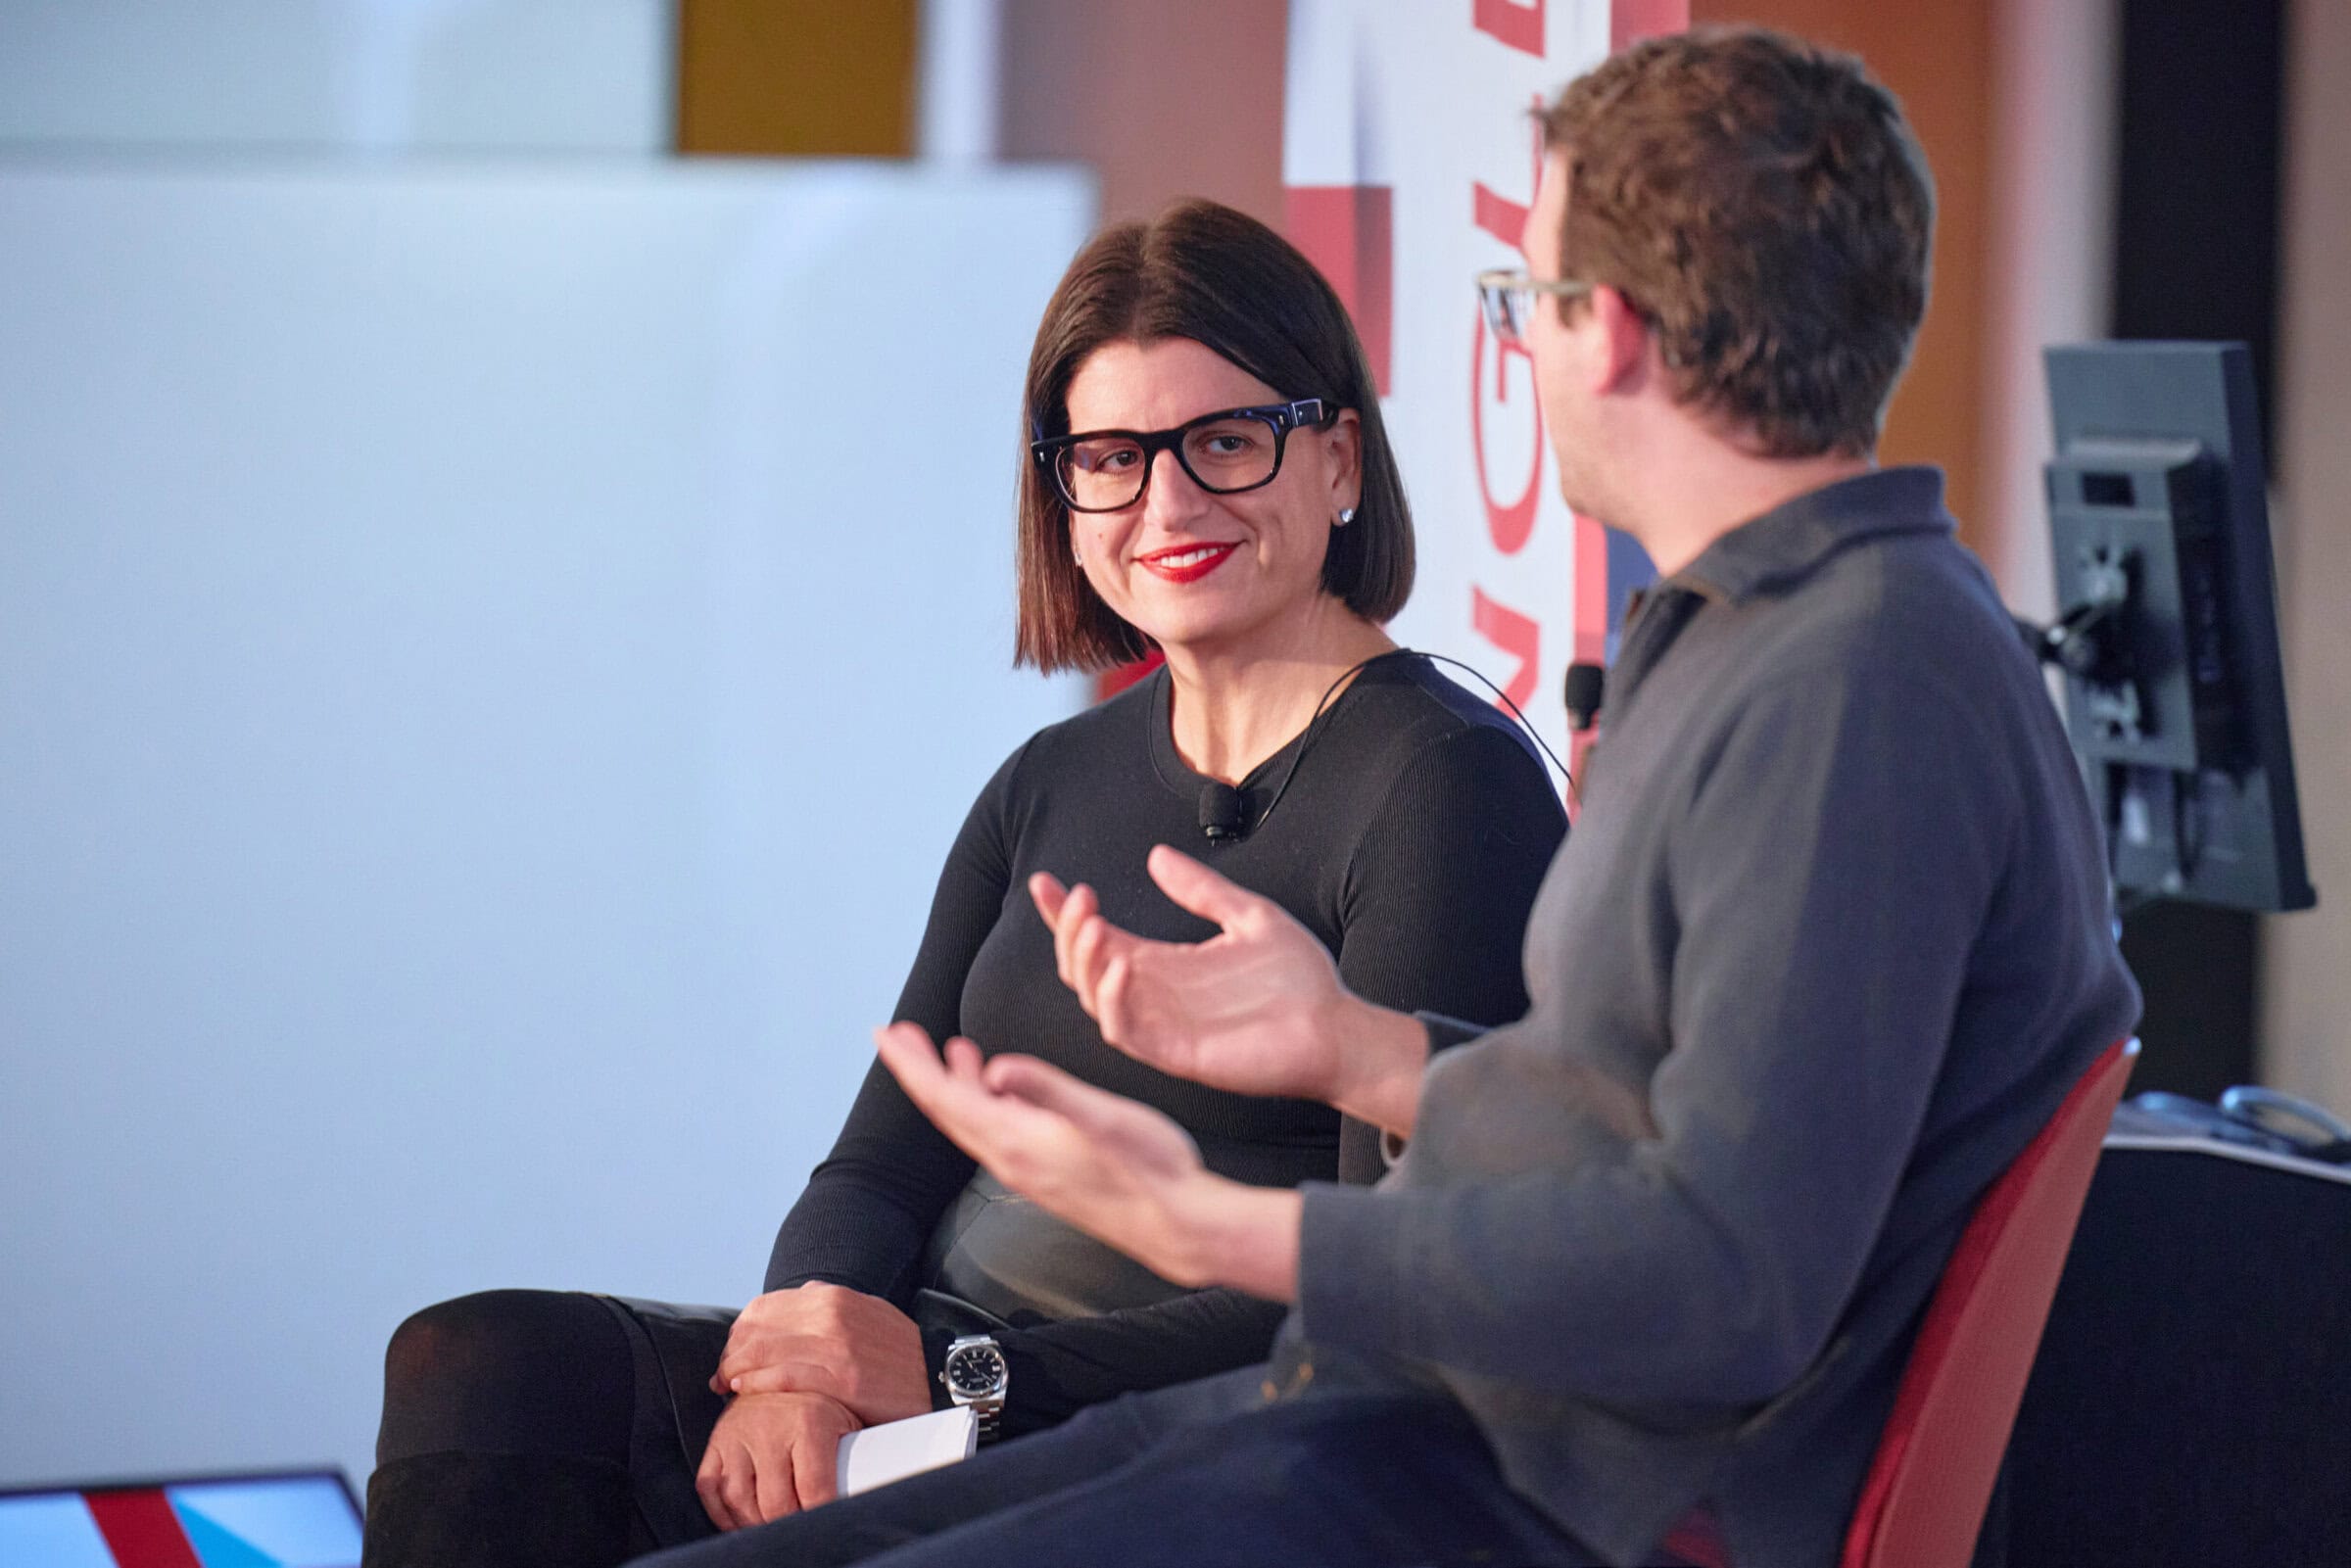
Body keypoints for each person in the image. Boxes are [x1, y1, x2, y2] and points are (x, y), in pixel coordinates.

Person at [627, 25, 2142, 1568]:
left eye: (1525, 301)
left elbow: (1723, 1279)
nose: (1526, 350)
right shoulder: (1768, 642)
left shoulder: (1853, 686)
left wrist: (1211, 1224)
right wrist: (1363, 1048)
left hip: (1554, 1492)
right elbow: (1632, 1129)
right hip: (1446, 1432)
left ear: (1604, 330)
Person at [359, 200, 1566, 1568]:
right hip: (927, 1374)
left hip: (1161, 1428)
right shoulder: (1048, 779)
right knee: (484, 1361)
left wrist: (959, 1372)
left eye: (1226, 442)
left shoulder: (1443, 780)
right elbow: (882, 1157)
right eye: (1110, 458)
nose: (1167, 504)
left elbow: (1369, 1296)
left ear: (1339, 458)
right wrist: (801, 1360)